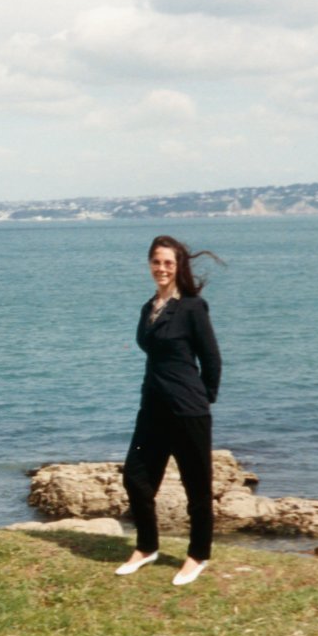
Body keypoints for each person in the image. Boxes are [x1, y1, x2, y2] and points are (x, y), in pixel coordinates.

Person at [115, 235, 222, 586]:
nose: (161, 269)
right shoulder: (149, 308)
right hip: (153, 409)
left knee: (197, 488)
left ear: (179, 267)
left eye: (168, 263)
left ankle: (198, 555)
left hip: (188, 410)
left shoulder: (192, 306)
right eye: (156, 262)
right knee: (136, 477)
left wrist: (201, 398)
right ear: (149, 264)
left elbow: (211, 360)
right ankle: (147, 547)